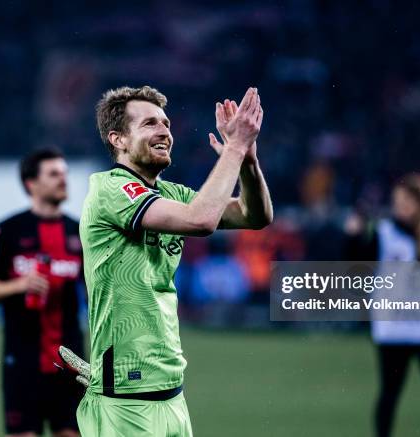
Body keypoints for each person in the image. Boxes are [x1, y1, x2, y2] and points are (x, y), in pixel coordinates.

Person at [59, 85, 271, 436]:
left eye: (166, 123)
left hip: (171, 391)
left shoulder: (172, 194)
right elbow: (200, 220)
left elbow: (255, 216)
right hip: (127, 399)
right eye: (149, 124)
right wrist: (232, 148)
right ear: (118, 139)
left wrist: (247, 159)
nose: (164, 131)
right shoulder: (110, 189)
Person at [346, 174, 420, 437]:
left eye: (404, 202)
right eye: (396, 202)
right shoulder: (386, 234)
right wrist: (354, 236)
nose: (398, 208)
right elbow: (356, 269)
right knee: (390, 394)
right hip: (395, 328)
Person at [0, 148, 84, 437]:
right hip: (22, 363)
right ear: (30, 183)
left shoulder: (80, 232)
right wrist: (20, 285)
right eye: (53, 174)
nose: (63, 180)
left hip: (71, 365)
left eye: (64, 173)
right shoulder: (8, 230)